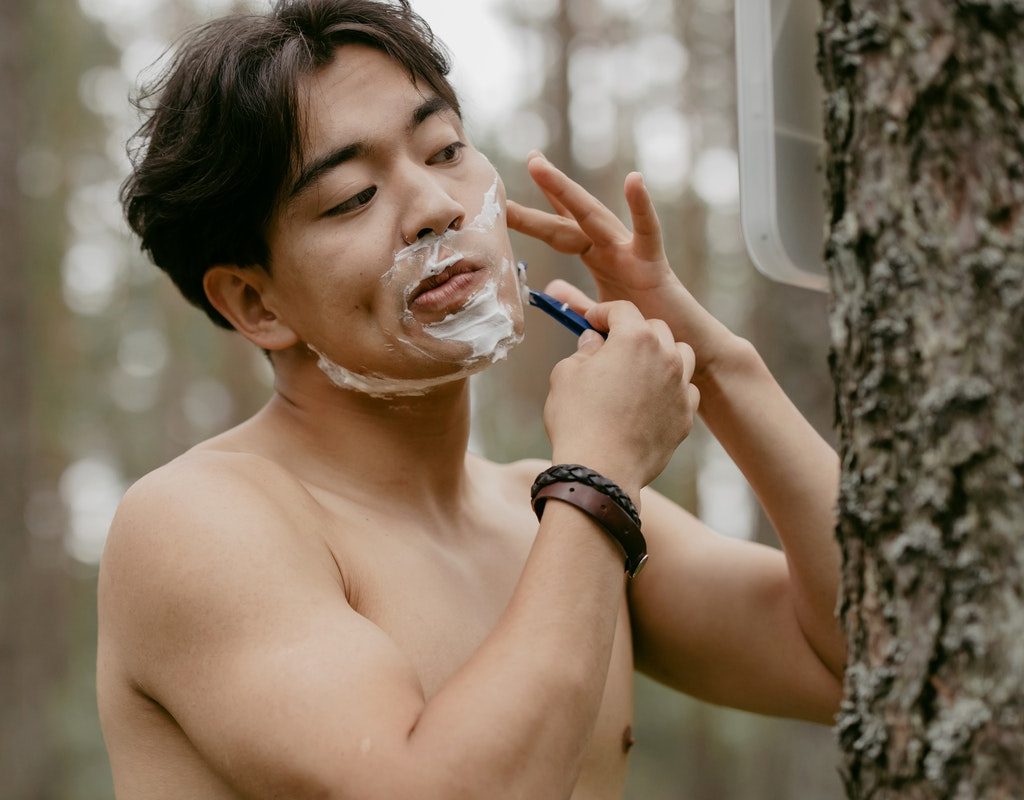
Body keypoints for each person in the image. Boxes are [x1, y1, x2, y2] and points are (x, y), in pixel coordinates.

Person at [97, 1, 845, 798]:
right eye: (353, 196)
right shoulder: (196, 522)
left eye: (445, 149)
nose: (435, 207)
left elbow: (873, 651)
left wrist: (716, 362)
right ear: (257, 304)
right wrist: (598, 474)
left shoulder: (545, 511)